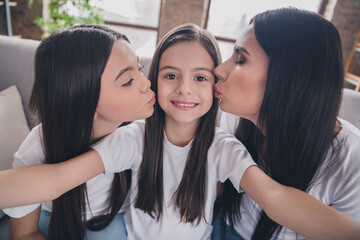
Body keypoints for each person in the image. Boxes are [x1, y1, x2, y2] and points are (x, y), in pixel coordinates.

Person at [0, 23, 359, 240]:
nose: (185, 89)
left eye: (201, 77)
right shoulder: (132, 136)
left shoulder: (224, 144)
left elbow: (275, 198)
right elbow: (57, 178)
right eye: (169, 75)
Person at [212, 7, 360, 240]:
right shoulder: (234, 118)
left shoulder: (351, 160)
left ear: (289, 77)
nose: (219, 70)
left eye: (240, 59)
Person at [3, 24, 155, 240]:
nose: (147, 83)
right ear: (84, 103)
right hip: (53, 217)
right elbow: (24, 233)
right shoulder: (37, 149)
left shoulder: (139, 134)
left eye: (139, 69)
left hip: (112, 219)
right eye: (128, 81)